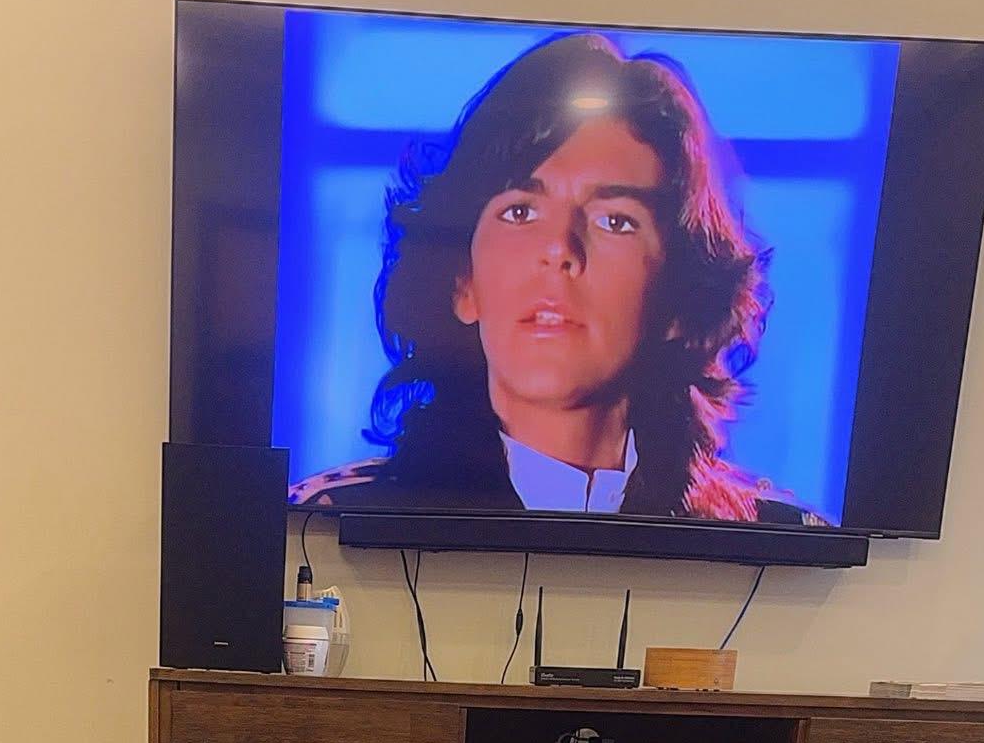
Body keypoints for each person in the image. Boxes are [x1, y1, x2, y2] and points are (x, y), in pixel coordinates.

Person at [290, 32, 826, 524]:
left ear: (680, 301)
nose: (558, 249)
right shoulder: (332, 523)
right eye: (520, 211)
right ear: (462, 283)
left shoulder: (773, 537)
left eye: (615, 221)